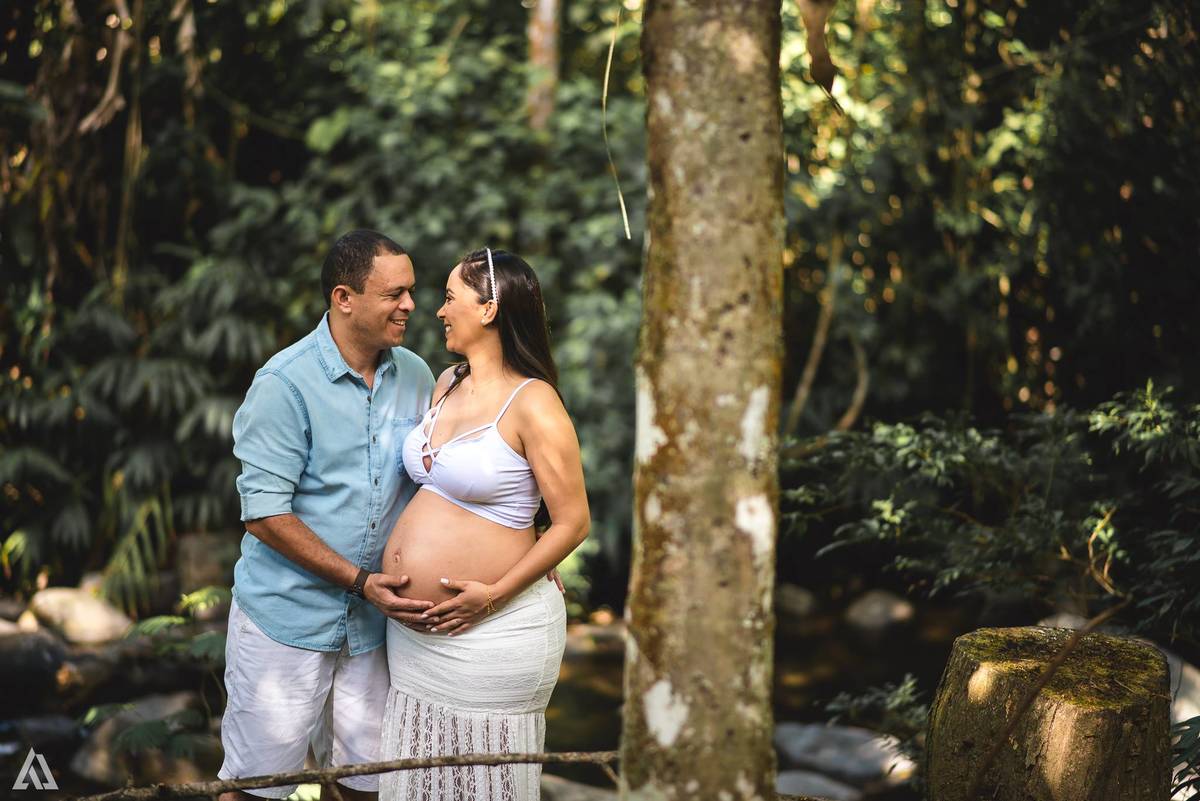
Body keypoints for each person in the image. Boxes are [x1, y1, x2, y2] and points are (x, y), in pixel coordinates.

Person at [218, 230, 438, 801]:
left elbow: (446, 479)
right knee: (256, 790)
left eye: (411, 291)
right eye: (394, 294)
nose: (411, 305)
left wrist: (527, 543)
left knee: (368, 786)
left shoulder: (417, 376)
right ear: (344, 298)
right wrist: (361, 581)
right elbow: (265, 514)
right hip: (285, 622)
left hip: (375, 629)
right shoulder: (284, 384)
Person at [378, 248, 590, 801]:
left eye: (451, 297)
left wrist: (495, 592)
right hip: (415, 644)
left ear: (489, 309)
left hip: (490, 634)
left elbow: (573, 522)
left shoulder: (534, 402)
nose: (438, 310)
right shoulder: (448, 380)